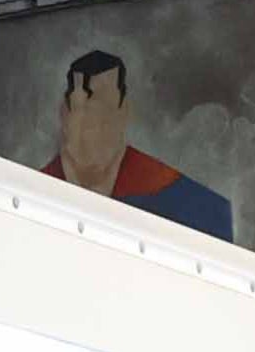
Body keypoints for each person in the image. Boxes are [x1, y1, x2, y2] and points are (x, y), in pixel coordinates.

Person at [43, 49, 235, 240]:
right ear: (64, 113)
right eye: (81, 109)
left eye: (103, 109)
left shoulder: (200, 212)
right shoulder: (34, 197)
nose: (92, 123)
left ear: (124, 111)